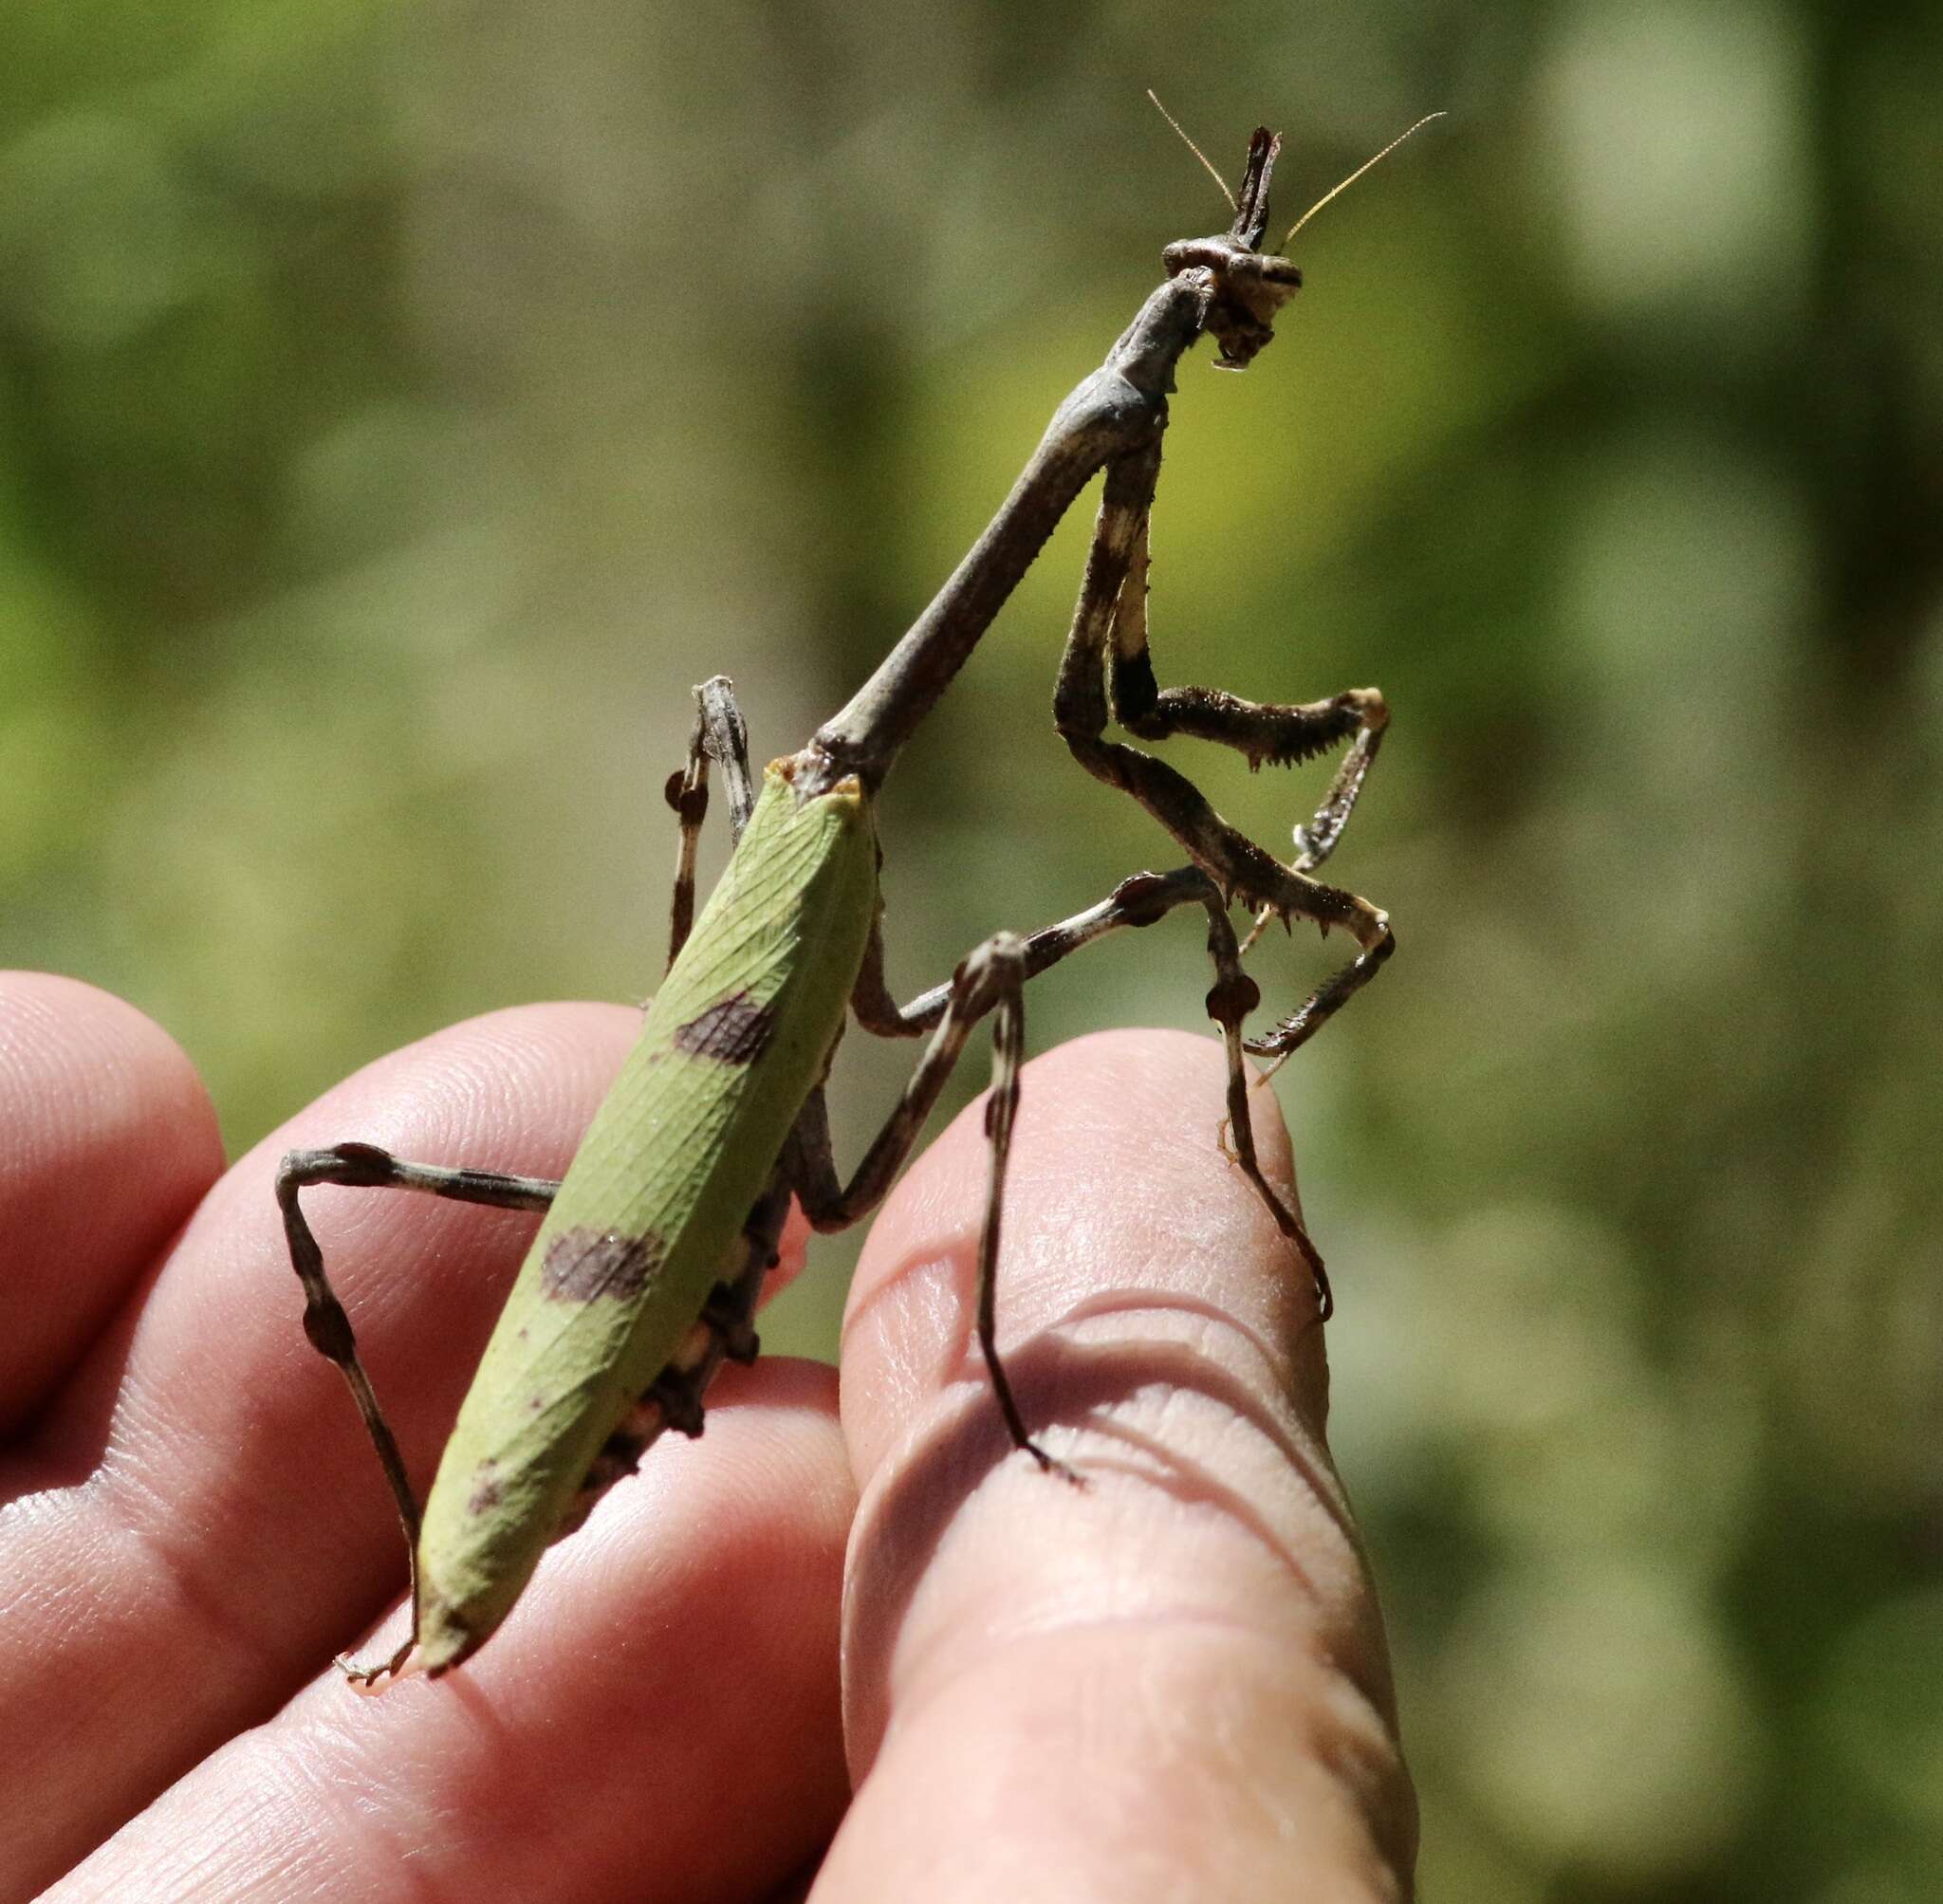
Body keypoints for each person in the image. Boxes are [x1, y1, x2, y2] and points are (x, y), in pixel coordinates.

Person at [2, 971, 1416, 1899]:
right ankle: (430, 1564)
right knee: (324, 1185)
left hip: (709, 1225)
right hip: (678, 1258)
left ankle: (431, 1574)